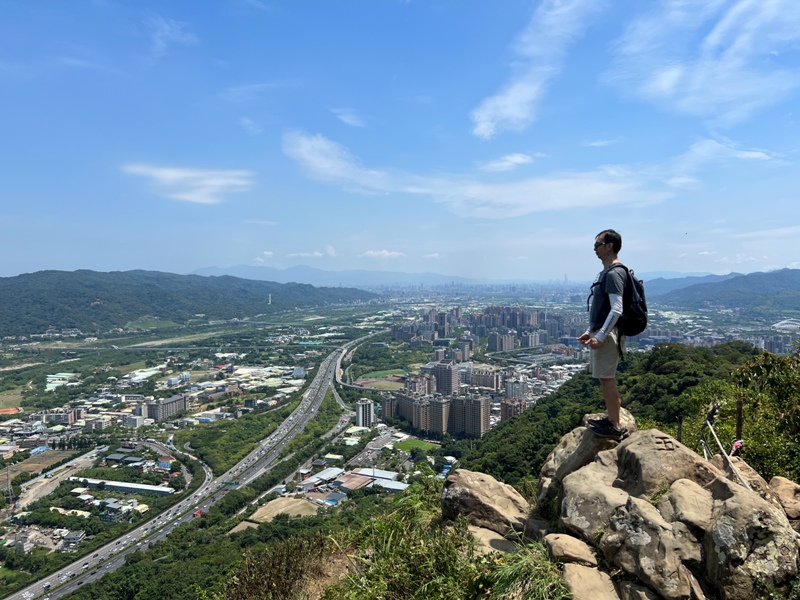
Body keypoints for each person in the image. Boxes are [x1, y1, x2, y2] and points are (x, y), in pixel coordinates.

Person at [578, 229, 628, 440]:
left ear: (609, 246)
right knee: (604, 378)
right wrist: (591, 331)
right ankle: (611, 419)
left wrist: (600, 336)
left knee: (607, 379)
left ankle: (615, 426)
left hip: (608, 336)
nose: (595, 249)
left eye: (598, 244)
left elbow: (617, 308)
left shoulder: (614, 273)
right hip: (603, 333)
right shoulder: (607, 272)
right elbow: (603, 309)